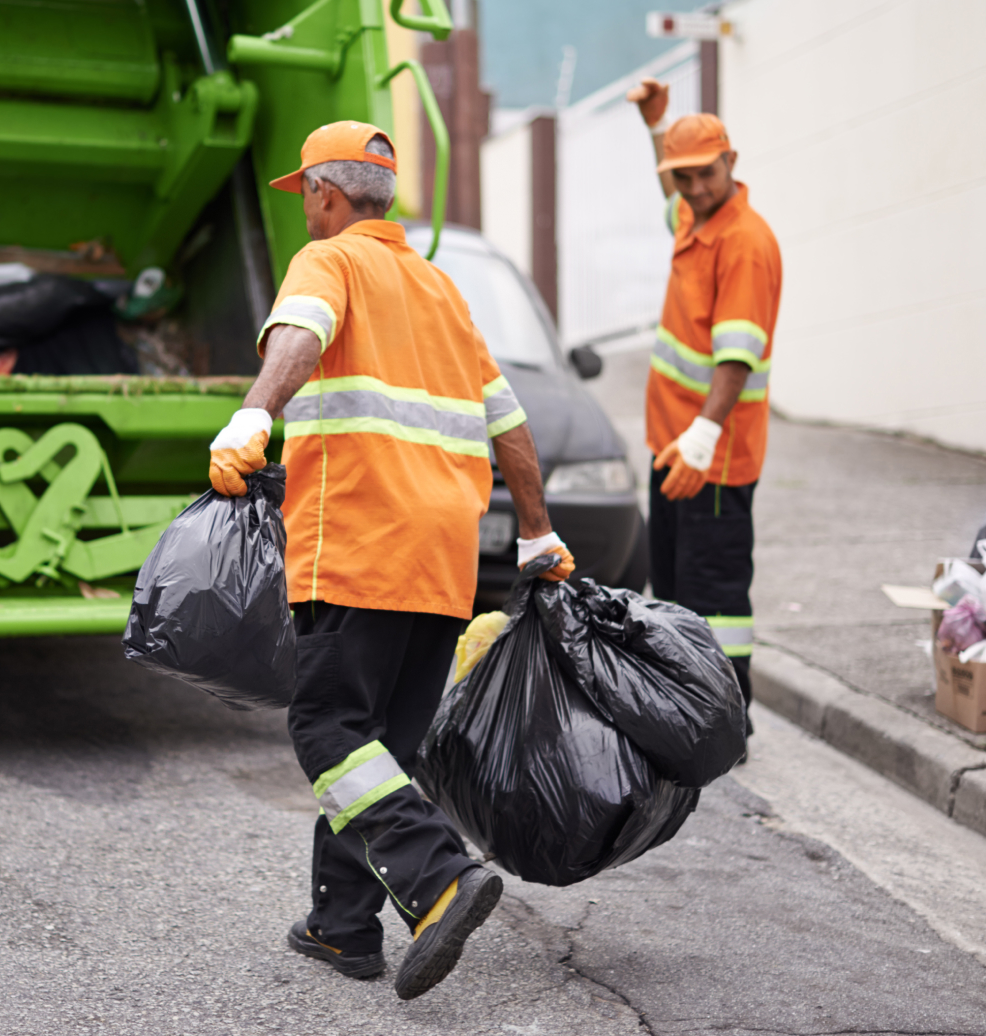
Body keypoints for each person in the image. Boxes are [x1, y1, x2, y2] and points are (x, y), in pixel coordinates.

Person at [206, 121, 574, 1000]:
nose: (304, 211)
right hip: (442, 561)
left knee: (326, 729)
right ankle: (342, 929)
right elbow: (509, 424)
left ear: (329, 197)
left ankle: (438, 874)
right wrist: (535, 531)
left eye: (305, 197)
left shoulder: (329, 261)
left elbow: (297, 336)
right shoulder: (442, 291)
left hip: (358, 542)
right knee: (377, 751)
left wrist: (252, 416)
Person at [624, 80, 783, 718]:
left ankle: (725, 717)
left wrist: (701, 439)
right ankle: (686, 708)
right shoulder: (697, 219)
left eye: (704, 175)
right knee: (676, 587)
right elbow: (673, 194)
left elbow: (737, 358)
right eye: (684, 177)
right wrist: (656, 124)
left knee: (714, 593)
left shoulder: (745, 244)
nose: (693, 188)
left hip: (711, 457)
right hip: (675, 448)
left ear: (731, 164)